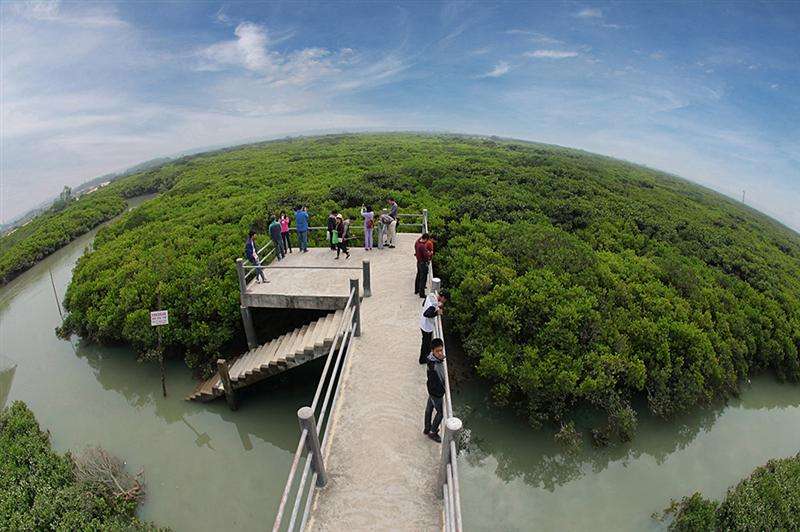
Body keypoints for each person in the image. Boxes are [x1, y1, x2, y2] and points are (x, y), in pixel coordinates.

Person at [423, 338, 446, 442]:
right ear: (433, 351)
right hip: (436, 393)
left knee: (429, 409)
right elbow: (443, 379)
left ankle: (427, 429)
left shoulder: (430, 359)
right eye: (438, 351)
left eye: (441, 350)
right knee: (441, 412)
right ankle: (432, 432)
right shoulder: (436, 366)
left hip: (431, 390)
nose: (440, 353)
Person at [419, 291, 445, 364]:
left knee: (426, 343)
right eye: (444, 300)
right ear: (442, 298)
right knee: (425, 344)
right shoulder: (433, 305)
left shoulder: (431, 295)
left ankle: (425, 357)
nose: (444, 302)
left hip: (423, 323)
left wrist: (437, 306)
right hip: (427, 327)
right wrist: (437, 313)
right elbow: (426, 314)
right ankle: (422, 360)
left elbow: (423, 304)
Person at [414, 233, 432, 297]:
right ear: (426, 239)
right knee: (423, 279)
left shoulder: (417, 242)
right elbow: (426, 256)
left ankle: (416, 290)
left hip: (418, 262)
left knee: (418, 276)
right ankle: (422, 294)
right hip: (423, 263)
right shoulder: (422, 246)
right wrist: (430, 253)